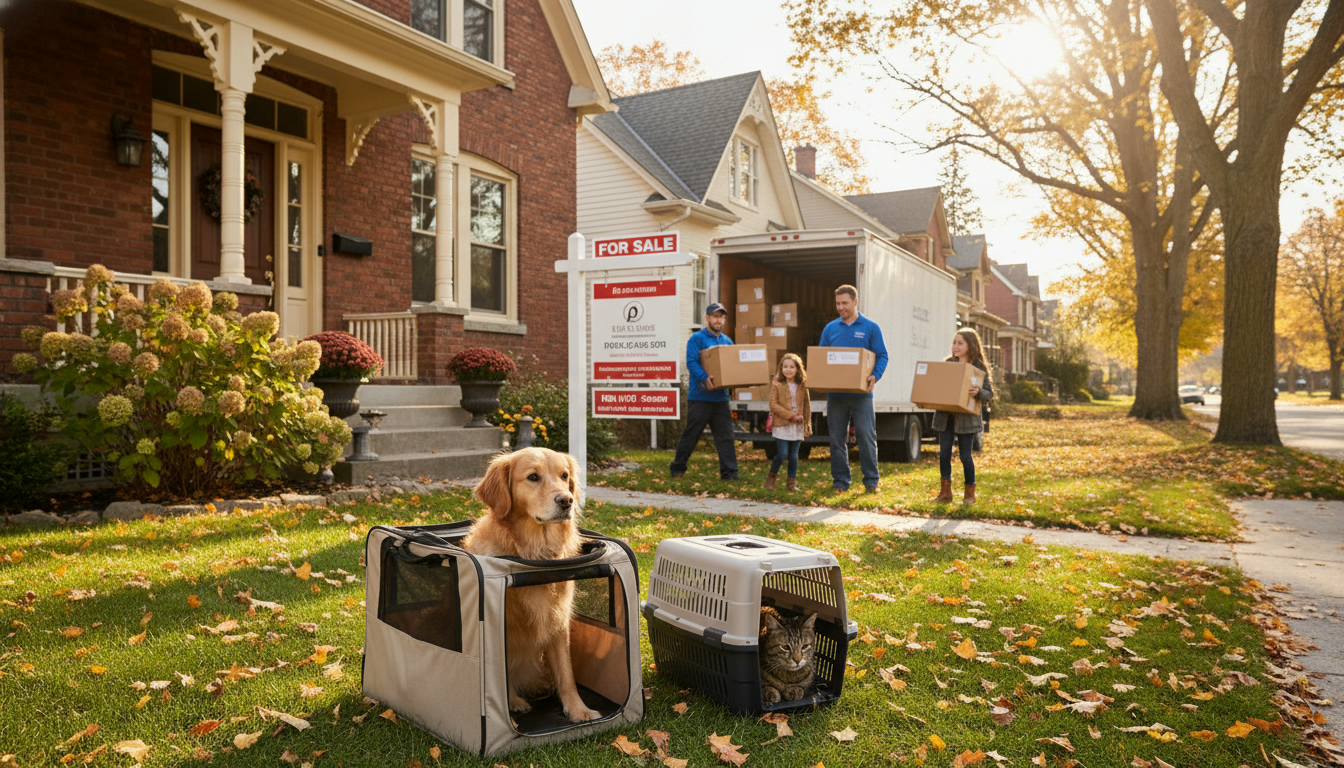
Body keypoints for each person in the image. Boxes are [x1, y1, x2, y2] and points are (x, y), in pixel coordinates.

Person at [819, 285, 888, 493]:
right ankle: (840, 481)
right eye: (838, 303)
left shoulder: (870, 327)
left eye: (845, 303)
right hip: (836, 395)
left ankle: (871, 481)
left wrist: (875, 375)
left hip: (862, 395)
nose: (841, 307)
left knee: (866, 436)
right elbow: (821, 358)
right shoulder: (830, 329)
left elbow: (882, 355)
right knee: (837, 439)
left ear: (855, 302)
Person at [670, 302, 739, 481]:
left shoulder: (727, 341)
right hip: (700, 397)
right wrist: (705, 377)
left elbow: (733, 366)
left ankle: (730, 473)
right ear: (707, 318)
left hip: (720, 398)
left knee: (726, 437)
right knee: (691, 435)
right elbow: (691, 362)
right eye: (715, 316)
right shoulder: (697, 339)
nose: (719, 320)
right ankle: (677, 468)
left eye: (721, 317)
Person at [932, 328, 994, 504]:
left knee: (965, 456)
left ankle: (969, 495)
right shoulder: (947, 363)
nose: (955, 346)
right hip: (946, 417)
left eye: (960, 343)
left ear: (970, 345)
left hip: (966, 419)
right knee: (944, 454)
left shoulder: (978, 368)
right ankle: (945, 493)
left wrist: (978, 391)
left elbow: (989, 393)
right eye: (954, 343)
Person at [765, 352, 811, 491]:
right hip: (782, 424)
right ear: (781, 368)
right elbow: (773, 404)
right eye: (785, 366)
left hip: (797, 425)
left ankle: (791, 484)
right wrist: (790, 415)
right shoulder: (777, 385)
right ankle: (771, 480)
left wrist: (806, 424)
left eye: (791, 367)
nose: (788, 370)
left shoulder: (802, 386)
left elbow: (807, 406)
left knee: (794, 455)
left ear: (797, 369)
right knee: (783, 453)